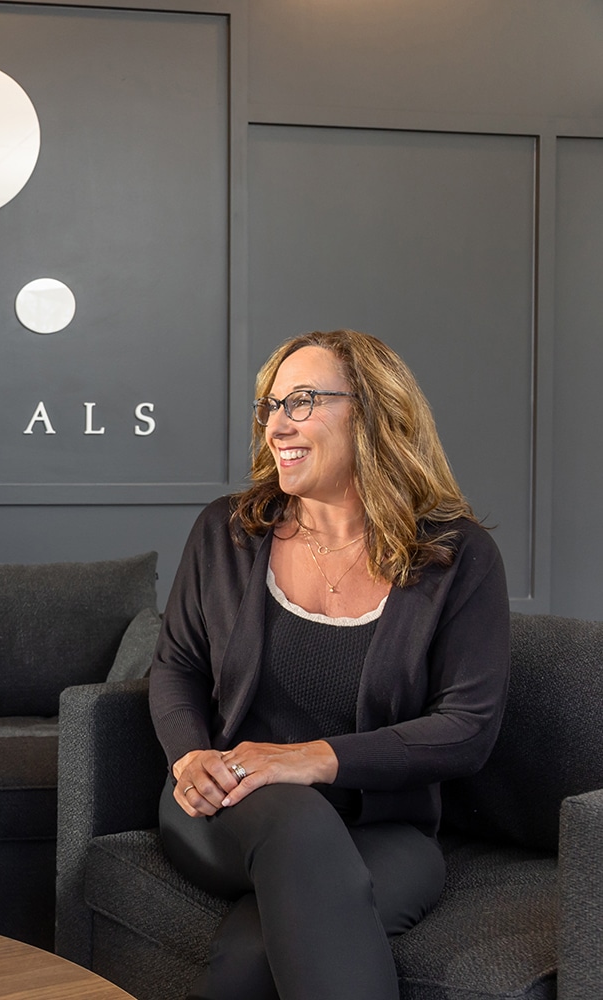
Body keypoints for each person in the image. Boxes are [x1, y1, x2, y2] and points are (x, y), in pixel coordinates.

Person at [149, 329, 509, 1000]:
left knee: (255, 954)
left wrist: (311, 758)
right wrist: (188, 755)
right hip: (225, 802)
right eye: (271, 405)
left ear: (373, 414)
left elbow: (468, 727)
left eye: (303, 401)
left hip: (388, 830)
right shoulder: (229, 531)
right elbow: (175, 665)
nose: (277, 424)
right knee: (296, 819)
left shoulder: (458, 556)